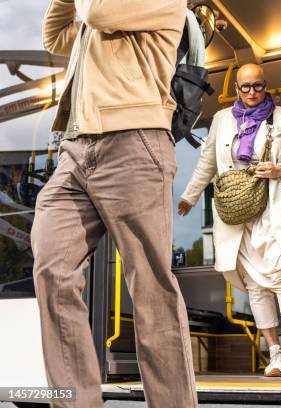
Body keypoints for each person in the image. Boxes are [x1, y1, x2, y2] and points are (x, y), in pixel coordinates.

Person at [31, 1, 198, 407]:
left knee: (151, 286)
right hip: (76, 150)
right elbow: (55, 37)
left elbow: (98, 13)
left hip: (134, 142)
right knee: (52, 267)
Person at [178, 63, 281, 377]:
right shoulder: (221, 119)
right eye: (245, 87)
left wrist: (280, 170)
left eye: (257, 86)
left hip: (277, 210)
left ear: (265, 85)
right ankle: (274, 353)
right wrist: (190, 197)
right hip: (237, 216)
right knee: (256, 285)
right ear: (236, 89)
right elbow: (207, 163)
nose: (251, 93)